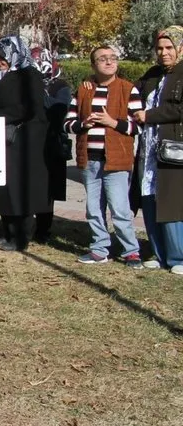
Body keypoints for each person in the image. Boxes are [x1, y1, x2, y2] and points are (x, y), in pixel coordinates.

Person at [64, 45, 143, 266]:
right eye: (102, 59)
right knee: (93, 208)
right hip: (90, 158)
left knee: (119, 208)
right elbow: (68, 124)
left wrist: (113, 123)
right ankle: (99, 248)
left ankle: (131, 250)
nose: (109, 62)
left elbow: (138, 127)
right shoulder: (83, 90)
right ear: (93, 65)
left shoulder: (128, 89)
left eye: (112, 58)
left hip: (117, 159)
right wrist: (82, 124)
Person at [0, 35, 49, 252]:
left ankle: (21, 237)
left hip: (24, 141)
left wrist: (1, 116)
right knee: (2, 186)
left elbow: (31, 106)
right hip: (1, 137)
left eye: (2, 57)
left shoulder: (29, 75)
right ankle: (7, 233)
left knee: (19, 188)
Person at [132, 26, 183, 274]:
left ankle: (178, 258)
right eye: (160, 48)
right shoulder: (152, 74)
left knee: (172, 202)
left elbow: (179, 109)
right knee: (149, 198)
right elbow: (132, 93)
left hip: (174, 150)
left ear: (180, 48)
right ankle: (158, 253)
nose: (164, 53)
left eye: (169, 48)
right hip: (148, 149)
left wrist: (149, 115)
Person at [32, 46, 72, 243]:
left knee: (48, 189)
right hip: (30, 142)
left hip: (51, 143)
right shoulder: (26, 83)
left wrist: (41, 93)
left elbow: (59, 112)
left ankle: (43, 230)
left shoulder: (60, 86)